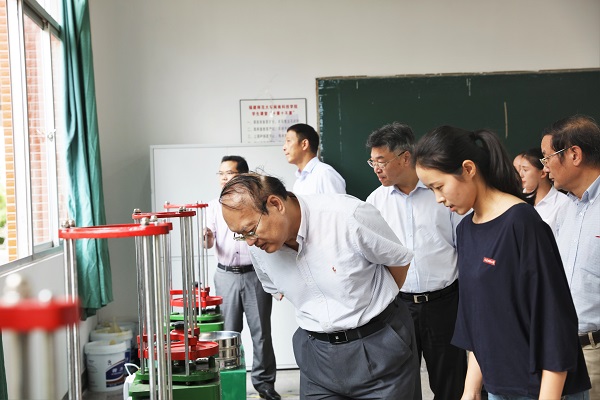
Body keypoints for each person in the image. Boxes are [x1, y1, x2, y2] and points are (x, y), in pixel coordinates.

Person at [413, 126, 590, 400]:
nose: (438, 199)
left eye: (439, 186)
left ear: (468, 169)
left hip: (543, 389)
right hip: (498, 387)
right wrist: (471, 389)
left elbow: (555, 322)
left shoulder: (522, 223)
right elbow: (478, 320)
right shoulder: (466, 230)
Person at [219, 173, 421, 399]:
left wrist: (377, 308)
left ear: (275, 204)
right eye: (241, 235)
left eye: (250, 230)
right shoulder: (259, 249)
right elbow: (276, 289)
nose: (249, 241)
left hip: (378, 346)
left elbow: (398, 262)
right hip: (317, 358)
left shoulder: (346, 216)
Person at [365, 122, 467, 400]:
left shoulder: (442, 192)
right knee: (401, 386)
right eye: (372, 162)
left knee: (450, 385)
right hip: (399, 307)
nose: (376, 168)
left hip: (445, 304)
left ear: (405, 157)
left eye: (381, 161)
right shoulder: (374, 202)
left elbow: (464, 247)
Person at [204, 156, 280, 400]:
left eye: (229, 173)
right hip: (225, 275)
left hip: (253, 275)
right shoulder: (213, 207)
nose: (224, 178)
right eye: (221, 173)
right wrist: (206, 237)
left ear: (244, 176)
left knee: (261, 333)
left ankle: (264, 384)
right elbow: (208, 242)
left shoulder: (256, 204)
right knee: (228, 334)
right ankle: (228, 385)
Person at [540, 114, 600, 399]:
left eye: (547, 157)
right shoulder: (564, 210)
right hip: (561, 349)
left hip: (594, 351)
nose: (545, 168)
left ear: (574, 154)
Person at [518, 147, 570, 236]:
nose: (521, 174)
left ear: (543, 173)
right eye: (520, 169)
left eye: (525, 170)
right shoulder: (515, 199)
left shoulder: (563, 203)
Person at [283, 123, 346, 194]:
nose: (284, 147)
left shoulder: (325, 174)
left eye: (288, 141)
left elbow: (338, 201)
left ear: (304, 144)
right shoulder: (298, 182)